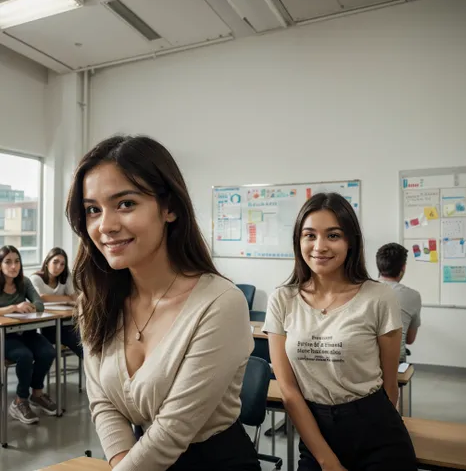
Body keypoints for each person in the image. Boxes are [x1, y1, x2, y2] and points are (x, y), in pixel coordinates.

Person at [65, 135, 260, 471]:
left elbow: (172, 430)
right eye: (93, 210)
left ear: (169, 207)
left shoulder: (219, 303)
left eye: (125, 203)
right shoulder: (95, 300)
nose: (106, 226)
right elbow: (102, 403)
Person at [263, 193, 417, 471]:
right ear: (298, 241)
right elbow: (288, 390)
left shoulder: (378, 297)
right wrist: (327, 461)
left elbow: (390, 385)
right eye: (309, 235)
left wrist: (373, 424)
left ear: (351, 241)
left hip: (376, 430)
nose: (319, 246)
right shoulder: (282, 299)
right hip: (315, 432)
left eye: (333, 235)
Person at [0, 245, 58, 424]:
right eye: (8, 262)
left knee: (48, 351)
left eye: (17, 261)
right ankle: (20, 401)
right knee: (25, 356)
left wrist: (28, 306)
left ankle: (37, 394)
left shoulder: (24, 282)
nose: (13, 266)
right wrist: (14, 307)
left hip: (27, 333)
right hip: (5, 337)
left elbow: (39, 304)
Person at [30, 247, 83, 358]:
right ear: (47, 262)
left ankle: (92, 369)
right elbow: (42, 298)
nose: (59, 267)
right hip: (48, 325)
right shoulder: (35, 278)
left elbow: (75, 297)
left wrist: (70, 298)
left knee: (85, 338)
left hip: (67, 321)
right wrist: (67, 298)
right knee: (79, 341)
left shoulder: (65, 277)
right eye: (55, 262)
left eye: (62, 264)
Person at [376, 242, 422, 363]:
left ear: (379, 266)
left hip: (364, 361)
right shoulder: (413, 296)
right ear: (403, 267)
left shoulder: (361, 288)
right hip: (395, 361)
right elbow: (410, 339)